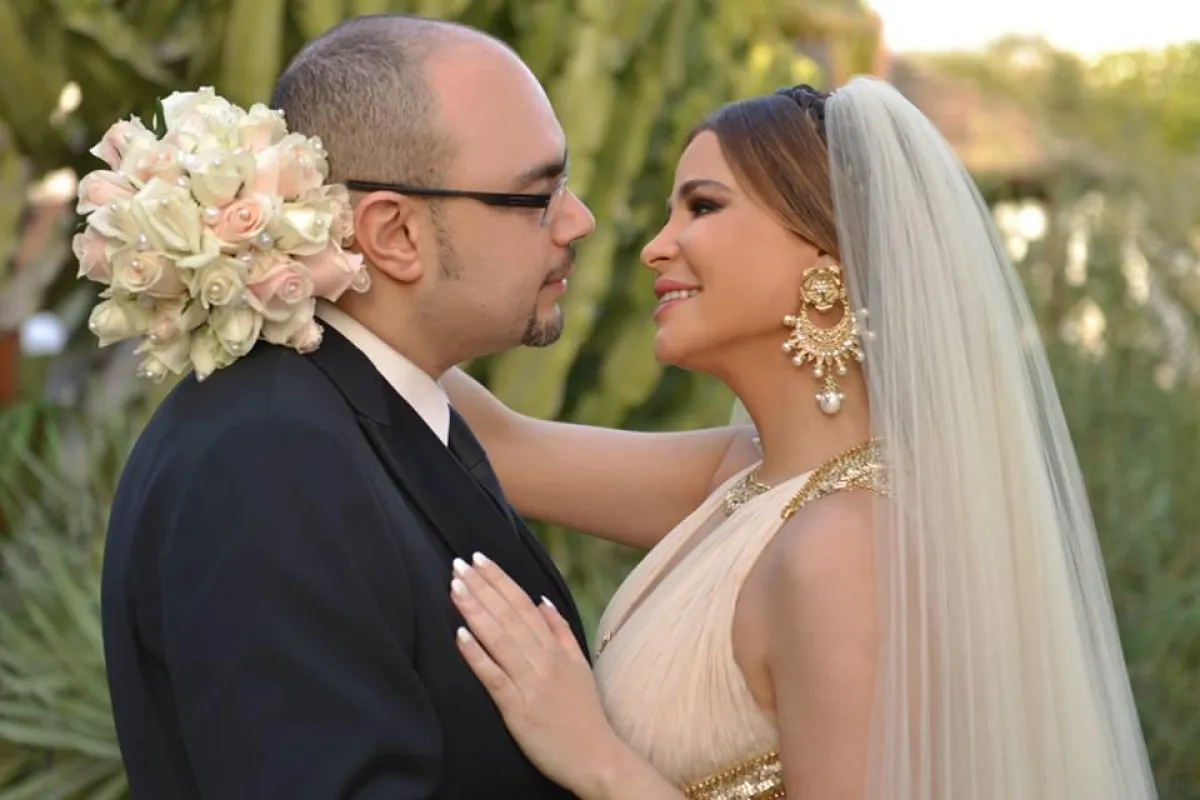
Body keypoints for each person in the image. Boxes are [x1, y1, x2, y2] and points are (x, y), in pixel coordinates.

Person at [439, 78, 1161, 799]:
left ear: (826, 252)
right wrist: (375, 251)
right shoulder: (745, 478)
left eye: (703, 206)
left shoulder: (845, 547)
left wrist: (594, 756)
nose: (655, 248)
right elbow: (501, 448)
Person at [99, 13, 595, 799]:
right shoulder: (268, 460)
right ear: (394, 233)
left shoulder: (365, 413)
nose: (578, 221)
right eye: (537, 195)